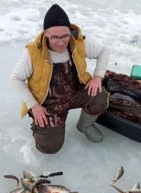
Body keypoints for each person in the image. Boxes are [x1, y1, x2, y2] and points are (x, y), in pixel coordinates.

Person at [11, 4, 109, 154]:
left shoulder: (78, 42)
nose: (61, 41)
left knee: (100, 95)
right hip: (49, 103)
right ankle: (41, 129)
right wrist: (34, 106)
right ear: (46, 34)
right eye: (55, 37)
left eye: (65, 35)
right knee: (49, 148)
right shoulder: (33, 52)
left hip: (75, 93)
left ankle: (85, 126)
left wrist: (97, 77)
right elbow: (16, 79)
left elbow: (103, 50)